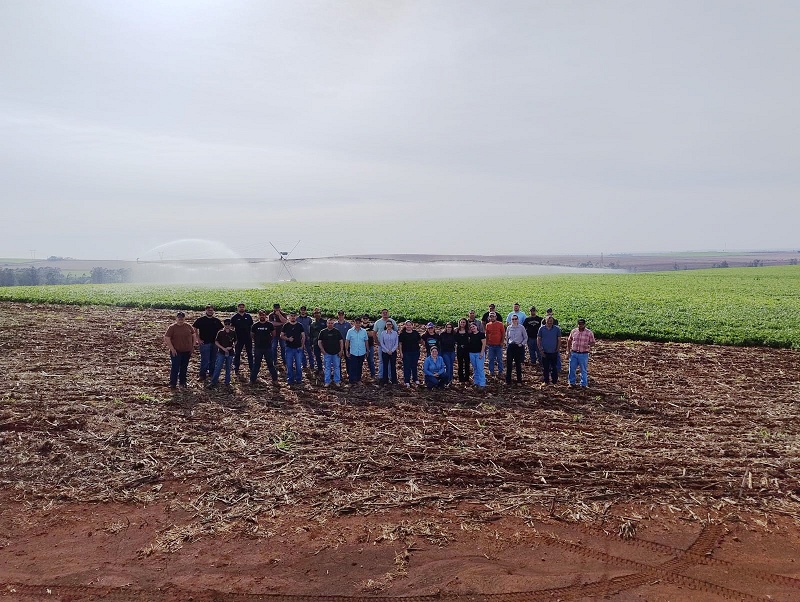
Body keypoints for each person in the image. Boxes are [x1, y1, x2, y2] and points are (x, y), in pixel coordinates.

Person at [165, 311, 195, 388]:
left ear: (184, 318)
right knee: (175, 367)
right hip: (176, 351)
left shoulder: (188, 326)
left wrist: (192, 346)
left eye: (182, 318)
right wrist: (172, 349)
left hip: (186, 351)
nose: (180, 320)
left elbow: (193, 336)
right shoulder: (172, 327)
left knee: (184, 367)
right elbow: (167, 338)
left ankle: (183, 382)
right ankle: (173, 383)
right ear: (176, 318)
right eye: (179, 318)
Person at [192, 305, 222, 381]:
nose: (210, 312)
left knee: (213, 359)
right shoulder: (201, 320)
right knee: (205, 359)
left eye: (212, 310)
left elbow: (221, 330)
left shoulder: (216, 321)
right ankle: (202, 375)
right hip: (204, 343)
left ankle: (211, 374)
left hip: (214, 343)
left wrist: (219, 341)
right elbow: (194, 328)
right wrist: (198, 338)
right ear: (206, 311)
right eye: (209, 310)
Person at [251, 310, 278, 384]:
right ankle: (252, 380)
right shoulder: (255, 325)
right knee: (256, 364)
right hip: (258, 348)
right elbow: (252, 335)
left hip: (267, 348)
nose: (262, 316)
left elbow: (273, 334)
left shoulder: (270, 325)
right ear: (258, 316)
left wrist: (268, 340)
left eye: (263, 315)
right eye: (260, 315)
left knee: (270, 364)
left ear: (265, 316)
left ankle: (275, 379)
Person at [567, 318, 596, 388]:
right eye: (579, 324)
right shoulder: (574, 331)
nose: (581, 325)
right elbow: (569, 340)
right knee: (572, 368)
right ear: (578, 324)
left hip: (584, 354)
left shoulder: (589, 333)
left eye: (582, 324)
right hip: (574, 353)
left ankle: (583, 384)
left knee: (583, 370)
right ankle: (571, 383)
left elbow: (593, 342)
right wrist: (568, 350)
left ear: (584, 324)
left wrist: (588, 344)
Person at [208, 318, 236, 388]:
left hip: (230, 352)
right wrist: (222, 348)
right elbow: (216, 342)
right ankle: (214, 382)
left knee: (228, 368)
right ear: (224, 324)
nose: (227, 325)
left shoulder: (233, 333)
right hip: (221, 352)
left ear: (230, 325)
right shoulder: (220, 332)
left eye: (228, 324)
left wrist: (232, 346)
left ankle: (227, 382)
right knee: (218, 367)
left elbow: (236, 341)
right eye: (226, 324)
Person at [280, 311, 306, 386]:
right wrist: (288, 339)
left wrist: (302, 345)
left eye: (294, 316)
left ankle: (299, 379)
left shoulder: (299, 326)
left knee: (298, 365)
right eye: (291, 316)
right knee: (289, 365)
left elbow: (303, 336)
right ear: (289, 317)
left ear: (296, 317)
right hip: (289, 348)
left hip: (298, 348)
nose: (293, 317)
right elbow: (281, 335)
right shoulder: (286, 325)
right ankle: (290, 379)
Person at [318, 318, 344, 386]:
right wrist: (322, 350)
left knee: (336, 367)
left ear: (333, 324)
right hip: (327, 353)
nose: (330, 324)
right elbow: (319, 342)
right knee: (327, 367)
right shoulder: (323, 332)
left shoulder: (337, 331)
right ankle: (327, 381)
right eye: (329, 323)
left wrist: (341, 350)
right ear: (327, 323)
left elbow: (341, 341)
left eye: (331, 323)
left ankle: (337, 381)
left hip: (336, 353)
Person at [230, 303, 254, 377]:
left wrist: (252, 337)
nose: (242, 308)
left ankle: (251, 367)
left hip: (248, 338)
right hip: (238, 338)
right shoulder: (234, 317)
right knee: (237, 353)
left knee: (250, 353)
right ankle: (236, 368)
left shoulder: (248, 316)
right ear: (238, 308)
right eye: (240, 307)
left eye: (243, 307)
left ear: (244, 308)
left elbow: (251, 327)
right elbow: (232, 328)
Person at [373, 309, 399, 375]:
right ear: (381, 314)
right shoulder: (378, 322)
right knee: (381, 361)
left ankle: (390, 376)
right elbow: (374, 332)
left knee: (391, 362)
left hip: (391, 346)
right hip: (381, 345)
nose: (385, 314)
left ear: (388, 313)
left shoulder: (392, 321)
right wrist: (377, 341)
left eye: (386, 313)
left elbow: (396, 331)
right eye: (383, 313)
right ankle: (381, 376)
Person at [537, 315, 562, 385]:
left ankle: (554, 381)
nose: (550, 322)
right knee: (545, 368)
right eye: (548, 320)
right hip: (544, 352)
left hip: (554, 351)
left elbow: (559, 339)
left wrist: (557, 349)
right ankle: (546, 381)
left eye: (551, 321)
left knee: (554, 367)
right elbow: (538, 339)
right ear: (546, 321)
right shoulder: (541, 329)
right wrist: (540, 350)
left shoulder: (557, 329)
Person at [345, 317, 369, 385]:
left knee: (359, 366)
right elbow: (347, 341)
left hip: (362, 351)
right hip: (353, 352)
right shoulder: (350, 331)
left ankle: (358, 379)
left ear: (360, 323)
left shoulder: (364, 331)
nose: (358, 324)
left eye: (359, 323)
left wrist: (367, 350)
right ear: (354, 323)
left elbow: (366, 341)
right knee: (352, 366)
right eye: (356, 323)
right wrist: (346, 350)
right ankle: (351, 380)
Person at [398, 320, 422, 387]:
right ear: (405, 326)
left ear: (412, 326)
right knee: (407, 367)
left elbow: (420, 341)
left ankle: (415, 379)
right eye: (407, 325)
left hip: (415, 352)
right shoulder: (402, 334)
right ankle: (407, 381)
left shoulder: (415, 333)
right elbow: (400, 344)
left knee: (414, 366)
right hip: (406, 352)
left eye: (410, 325)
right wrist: (401, 352)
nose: (408, 326)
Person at [505, 315, 528, 384]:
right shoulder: (509, 327)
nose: (514, 320)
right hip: (511, 346)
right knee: (509, 364)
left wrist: (521, 344)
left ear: (518, 320)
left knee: (518, 364)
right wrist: (507, 345)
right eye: (513, 319)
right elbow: (506, 337)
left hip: (518, 346)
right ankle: (508, 381)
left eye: (515, 319)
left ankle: (519, 380)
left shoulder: (521, 327)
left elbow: (526, 337)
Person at [378, 319, 399, 386]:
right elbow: (382, 343)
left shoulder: (395, 333)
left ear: (392, 325)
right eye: (387, 324)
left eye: (390, 324)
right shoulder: (383, 333)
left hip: (393, 352)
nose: (389, 326)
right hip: (385, 352)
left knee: (393, 366)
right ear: (386, 326)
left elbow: (396, 343)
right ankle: (385, 381)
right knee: (385, 366)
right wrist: (387, 350)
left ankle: (394, 381)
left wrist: (392, 350)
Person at [484, 312, 505, 377]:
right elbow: (487, 335)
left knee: (499, 359)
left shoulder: (500, 324)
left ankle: (500, 371)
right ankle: (491, 371)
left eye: (493, 316)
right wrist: (486, 343)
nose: (492, 318)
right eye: (490, 316)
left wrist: (502, 342)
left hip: (498, 345)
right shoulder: (488, 325)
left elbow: (503, 334)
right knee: (491, 359)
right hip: (491, 345)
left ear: (496, 317)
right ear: (489, 318)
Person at [467, 322, 487, 389]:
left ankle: (482, 383)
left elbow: (484, 344)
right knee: (475, 368)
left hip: (479, 353)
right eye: (471, 327)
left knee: (480, 368)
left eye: (473, 326)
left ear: (476, 326)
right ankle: (476, 382)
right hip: (472, 353)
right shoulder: (470, 335)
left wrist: (482, 353)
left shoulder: (481, 334)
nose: (473, 328)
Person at [268, 303, 288, 367]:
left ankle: (284, 360)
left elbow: (285, 321)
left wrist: (279, 315)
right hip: (274, 334)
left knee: (283, 347)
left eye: (277, 308)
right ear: (273, 308)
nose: (276, 309)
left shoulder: (283, 314)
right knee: (274, 347)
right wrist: (281, 324)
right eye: (275, 308)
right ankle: (274, 361)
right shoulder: (271, 315)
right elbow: (272, 323)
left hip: (282, 333)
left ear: (280, 308)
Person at [296, 306, 315, 372]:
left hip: (307, 337)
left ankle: (312, 365)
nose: (303, 311)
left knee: (309, 351)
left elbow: (311, 328)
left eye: (304, 310)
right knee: (301, 351)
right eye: (302, 310)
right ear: (300, 311)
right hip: (299, 338)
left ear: (306, 311)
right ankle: (304, 365)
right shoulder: (297, 319)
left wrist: (310, 336)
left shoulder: (309, 319)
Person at [309, 308, 327, 374]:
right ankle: (320, 369)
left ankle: (327, 369)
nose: (317, 314)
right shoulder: (312, 324)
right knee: (317, 356)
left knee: (326, 356)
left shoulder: (325, 322)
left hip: (325, 343)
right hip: (316, 342)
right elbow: (311, 335)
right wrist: (310, 344)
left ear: (320, 314)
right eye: (315, 313)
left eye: (318, 313)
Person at [454, 318, 471, 383]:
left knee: (467, 364)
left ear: (466, 323)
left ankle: (467, 378)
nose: (462, 324)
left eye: (464, 322)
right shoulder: (456, 331)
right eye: (461, 322)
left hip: (467, 349)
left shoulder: (468, 331)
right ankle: (461, 378)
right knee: (460, 364)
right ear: (459, 323)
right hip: (459, 349)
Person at [362, 313, 377, 378]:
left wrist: (364, 333)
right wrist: (367, 333)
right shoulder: (360, 326)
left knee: (370, 360)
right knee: (360, 361)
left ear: (368, 319)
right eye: (364, 318)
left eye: (366, 318)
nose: (365, 319)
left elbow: (372, 334)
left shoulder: (372, 326)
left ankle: (373, 374)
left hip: (370, 345)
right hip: (361, 346)